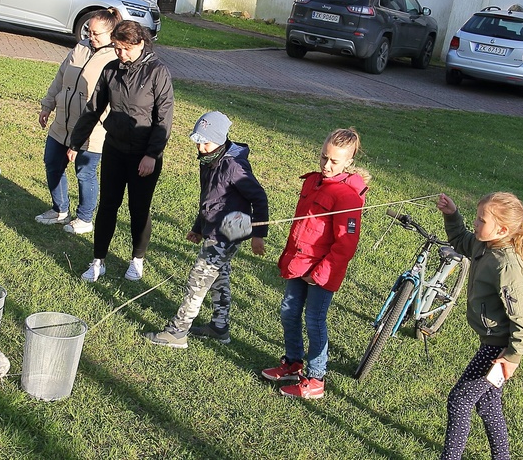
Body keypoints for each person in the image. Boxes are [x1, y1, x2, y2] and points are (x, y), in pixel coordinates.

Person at [143, 111, 269, 348]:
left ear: (221, 139)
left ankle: (177, 333)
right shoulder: (209, 159)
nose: (201, 147)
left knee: (198, 280)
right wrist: (198, 227)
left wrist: (258, 235)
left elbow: (259, 198)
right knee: (220, 276)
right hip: (214, 228)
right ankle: (219, 327)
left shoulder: (233, 166)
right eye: (198, 142)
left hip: (228, 231)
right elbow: (210, 199)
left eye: (206, 142)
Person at [261, 128, 370, 399]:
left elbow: (346, 244)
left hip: (322, 271)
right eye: (323, 158)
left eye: (334, 161)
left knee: (314, 320)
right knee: (288, 311)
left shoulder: (347, 197)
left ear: (348, 161)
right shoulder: (312, 182)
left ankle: (316, 377)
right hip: (299, 264)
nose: (326, 165)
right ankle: (293, 362)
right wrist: (289, 259)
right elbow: (301, 227)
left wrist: (318, 274)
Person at [68, 20, 174, 282]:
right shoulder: (111, 70)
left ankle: (137, 260)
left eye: (125, 49)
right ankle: (98, 261)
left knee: (139, 208)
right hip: (114, 148)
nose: (120, 54)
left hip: (144, 155)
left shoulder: (157, 72)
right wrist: (75, 142)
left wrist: (152, 154)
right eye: (116, 48)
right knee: (108, 205)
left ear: (139, 44)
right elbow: (93, 108)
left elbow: (164, 119)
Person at [436, 192, 523, 460]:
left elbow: (522, 325)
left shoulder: (507, 267)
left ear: (502, 229)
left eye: (481, 220)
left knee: (460, 400)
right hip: (491, 342)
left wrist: (511, 359)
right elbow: (460, 240)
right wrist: (452, 214)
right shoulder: (484, 245)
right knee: (489, 405)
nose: (476, 223)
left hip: (499, 349)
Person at [35, 8, 122, 233]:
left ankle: (84, 219)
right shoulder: (80, 47)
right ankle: (60, 210)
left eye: (96, 34)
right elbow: (61, 77)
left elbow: (113, 101)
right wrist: (48, 104)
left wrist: (94, 127)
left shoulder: (115, 58)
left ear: (111, 34)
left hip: (91, 131)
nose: (90, 37)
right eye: (89, 32)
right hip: (61, 123)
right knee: (52, 163)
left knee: (85, 173)